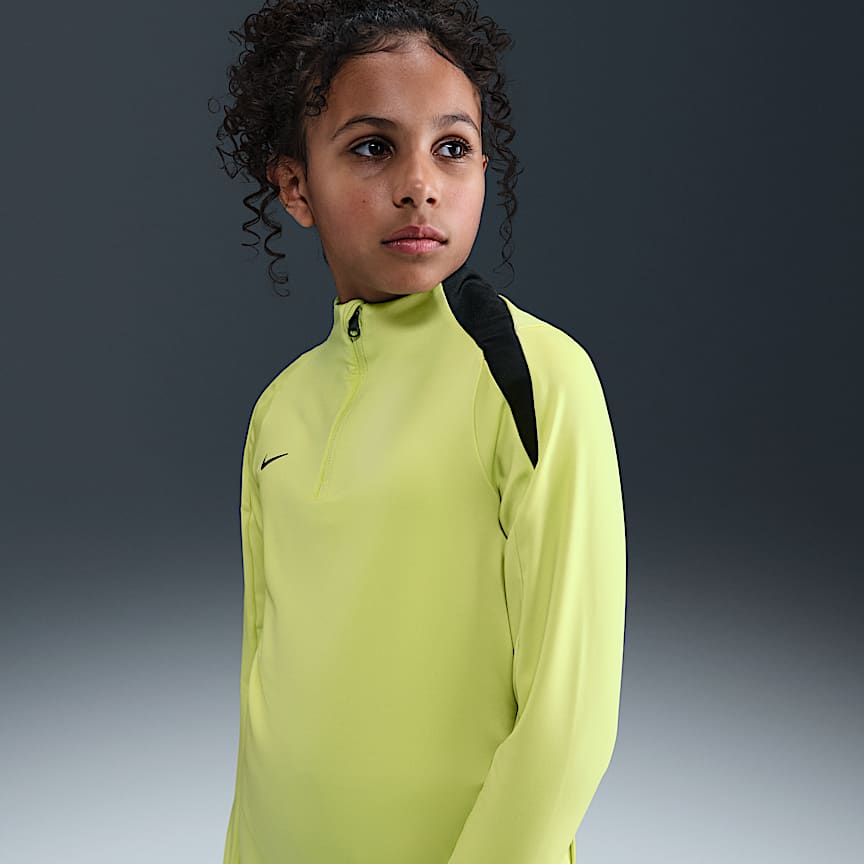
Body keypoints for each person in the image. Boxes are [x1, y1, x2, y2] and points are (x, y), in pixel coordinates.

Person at [212, 2, 627, 862]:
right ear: (295, 185)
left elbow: (569, 716)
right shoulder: (278, 409)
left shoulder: (533, 375)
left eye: (453, 148)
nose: (420, 184)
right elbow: (263, 688)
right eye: (373, 147)